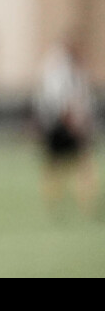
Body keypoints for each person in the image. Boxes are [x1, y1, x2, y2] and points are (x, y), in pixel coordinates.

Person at [35, 33, 99, 219]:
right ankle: (77, 203)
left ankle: (65, 202)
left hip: (58, 124)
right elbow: (63, 100)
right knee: (72, 164)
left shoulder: (63, 69)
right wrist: (73, 124)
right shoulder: (63, 71)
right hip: (63, 125)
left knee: (63, 165)